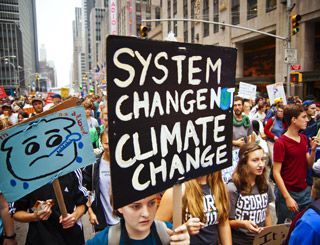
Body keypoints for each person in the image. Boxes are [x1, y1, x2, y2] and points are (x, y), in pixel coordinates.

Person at [12, 170, 88, 245]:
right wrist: (34, 216)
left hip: (70, 238)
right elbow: (16, 212)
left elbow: (83, 203)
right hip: (39, 238)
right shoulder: (26, 175)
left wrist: (74, 216)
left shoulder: (71, 168)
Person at [156, 172, 232, 244]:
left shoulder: (219, 186)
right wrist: (183, 229)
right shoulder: (177, 191)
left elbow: (223, 223)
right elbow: (156, 230)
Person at [273, 104, 318, 223]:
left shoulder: (304, 139)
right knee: (284, 231)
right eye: (303, 117)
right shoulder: (281, 143)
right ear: (293, 120)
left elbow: (309, 164)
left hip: (304, 192)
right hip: (287, 193)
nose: (307, 120)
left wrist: (313, 150)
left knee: (303, 225)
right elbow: (276, 172)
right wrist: (287, 197)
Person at [86, 193, 190, 245]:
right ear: (120, 207)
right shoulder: (103, 241)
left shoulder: (169, 233)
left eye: (151, 203)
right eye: (136, 206)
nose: (146, 213)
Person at [227, 143, 273, 245]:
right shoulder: (232, 188)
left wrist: (270, 236)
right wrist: (243, 223)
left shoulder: (265, 185)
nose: (261, 164)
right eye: (255, 160)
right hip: (239, 241)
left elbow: (267, 214)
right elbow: (225, 222)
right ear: (244, 163)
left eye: (262, 159)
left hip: (260, 240)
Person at [83, 131, 120, 232]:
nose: (110, 146)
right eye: (107, 143)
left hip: (125, 222)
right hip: (103, 223)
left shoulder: (126, 162)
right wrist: (90, 212)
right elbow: (87, 190)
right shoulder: (94, 164)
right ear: (101, 142)